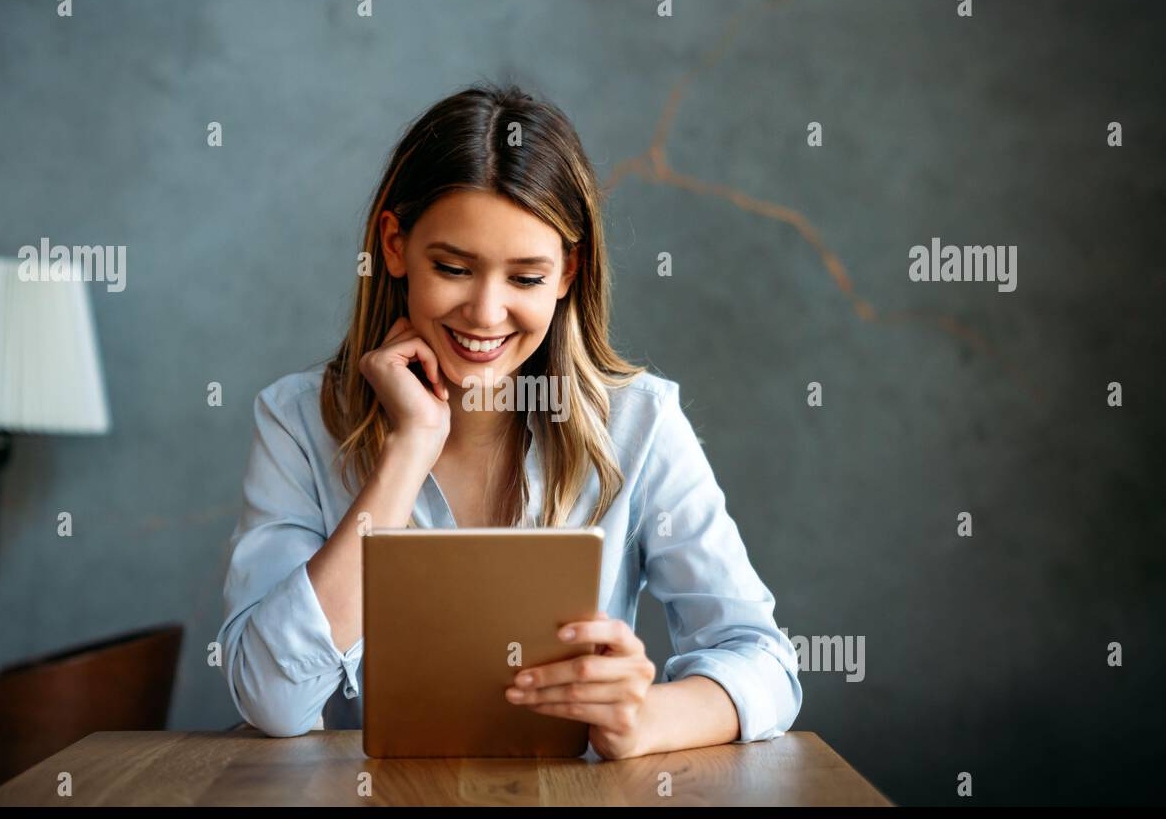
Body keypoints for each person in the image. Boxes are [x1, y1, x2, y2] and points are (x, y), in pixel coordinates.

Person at [217, 82, 802, 759]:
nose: (486, 313)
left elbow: (764, 661)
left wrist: (643, 719)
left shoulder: (639, 423)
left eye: (525, 278)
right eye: (454, 267)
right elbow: (270, 697)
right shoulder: (297, 420)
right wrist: (409, 450)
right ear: (395, 245)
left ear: (567, 272)